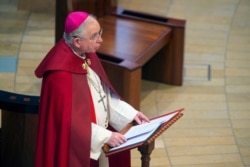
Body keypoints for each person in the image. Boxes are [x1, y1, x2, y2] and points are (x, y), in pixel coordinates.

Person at [34, 11, 149, 167]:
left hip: (100, 138)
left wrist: (132, 114)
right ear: (77, 41)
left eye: (99, 33)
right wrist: (104, 137)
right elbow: (69, 123)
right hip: (78, 148)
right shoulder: (59, 74)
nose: (100, 40)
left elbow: (104, 96)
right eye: (94, 36)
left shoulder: (87, 53)